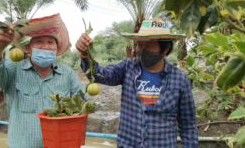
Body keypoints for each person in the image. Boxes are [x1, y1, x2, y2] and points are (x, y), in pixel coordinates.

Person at [76, 18, 198, 148]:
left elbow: (188, 124)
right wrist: (85, 54)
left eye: (149, 45)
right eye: (140, 44)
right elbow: (100, 75)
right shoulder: (127, 68)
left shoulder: (179, 79)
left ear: (165, 49)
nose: (142, 49)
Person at [0, 14, 83, 148]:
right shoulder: (14, 69)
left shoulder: (67, 74)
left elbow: (82, 103)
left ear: (56, 49)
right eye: (39, 41)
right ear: (28, 48)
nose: (45, 46)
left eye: (50, 42)